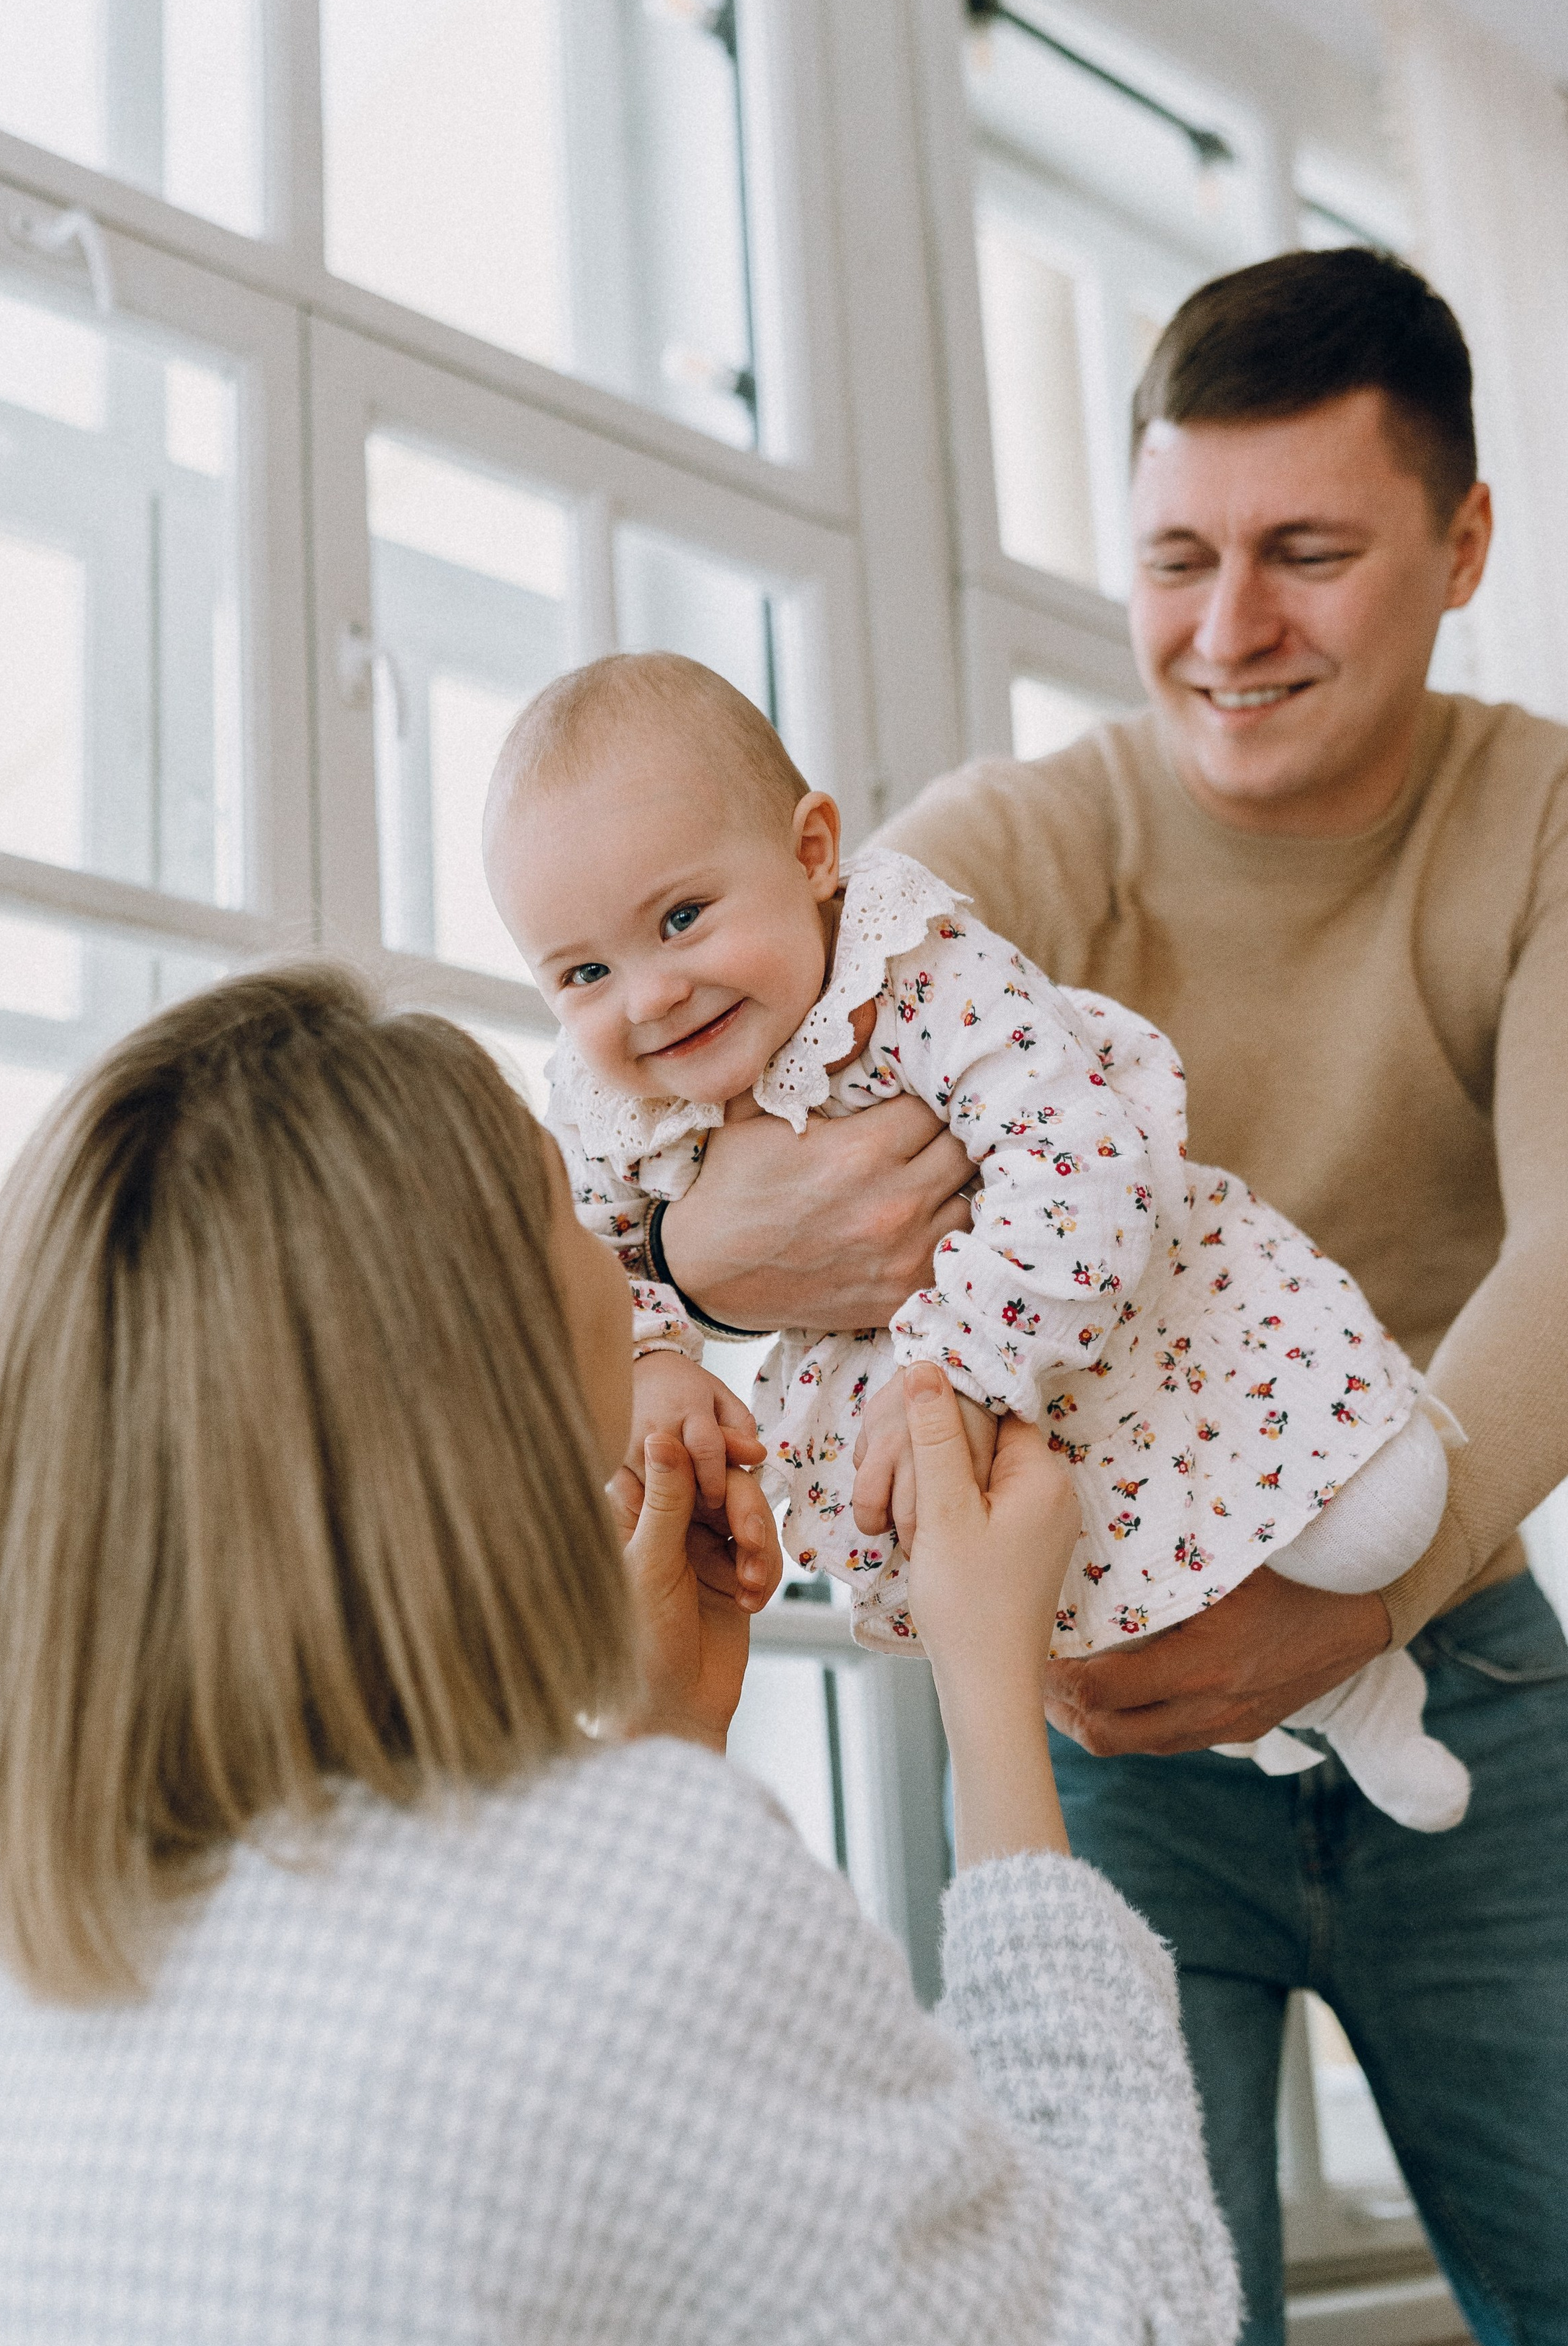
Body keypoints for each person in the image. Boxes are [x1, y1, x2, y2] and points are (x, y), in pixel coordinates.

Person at [0, 963, 1237, 2346]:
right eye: (569, 1205)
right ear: (474, 1364)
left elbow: (509, 2335)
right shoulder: (626, 1887)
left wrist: (645, 1744)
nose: (623, 1274)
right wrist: (988, 1694)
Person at [645, 246, 1568, 2346]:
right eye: (1176, 557)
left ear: (1464, 544)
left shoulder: (1545, 821)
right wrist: (685, 1257)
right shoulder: (1022, 844)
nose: (1226, 628)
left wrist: (1360, 1601)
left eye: (1307, 553)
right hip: (1116, 1716)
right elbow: (743, 1115)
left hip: (1454, 1659)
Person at [484, 649, 1465, 1832]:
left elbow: (1079, 1154)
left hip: (1120, 1313)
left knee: (1381, 1521)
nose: (648, 998)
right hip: (941, 1422)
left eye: (682, 919)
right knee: (1061, 1614)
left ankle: (1358, 1675)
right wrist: (651, 1358)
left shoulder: (921, 971)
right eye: (585, 972)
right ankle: (1328, 1708)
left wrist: (967, 1363)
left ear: (812, 854)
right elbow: (584, 1260)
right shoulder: (608, 1104)